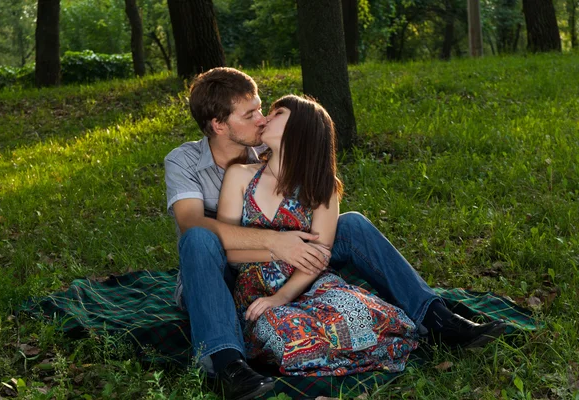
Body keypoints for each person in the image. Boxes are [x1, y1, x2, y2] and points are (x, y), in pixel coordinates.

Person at [164, 68, 506, 399]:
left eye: (261, 109)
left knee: (353, 223)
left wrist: (293, 251)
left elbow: (311, 193)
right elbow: (192, 223)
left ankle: (436, 317)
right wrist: (276, 243)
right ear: (219, 125)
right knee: (198, 238)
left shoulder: (266, 148)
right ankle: (226, 364)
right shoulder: (185, 161)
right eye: (250, 113)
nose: (261, 118)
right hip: (216, 270)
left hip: (299, 255)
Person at [217, 94, 419, 375]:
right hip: (256, 290)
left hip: (307, 284)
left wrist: (283, 296)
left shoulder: (322, 187)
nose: (265, 118)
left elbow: (319, 256)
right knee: (287, 331)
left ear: (299, 129)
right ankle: (323, 352)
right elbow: (228, 249)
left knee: (364, 314)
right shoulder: (240, 175)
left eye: (278, 114)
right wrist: (278, 251)